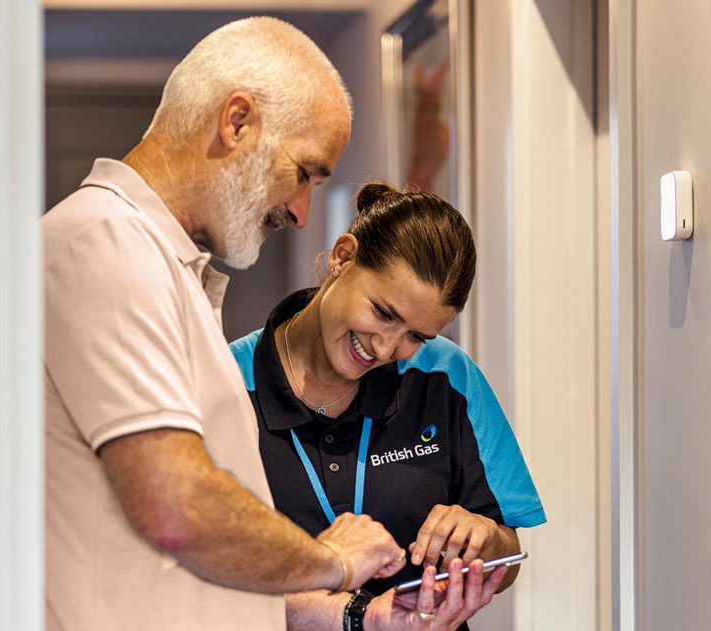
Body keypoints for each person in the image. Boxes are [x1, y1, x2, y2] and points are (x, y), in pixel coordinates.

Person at [42, 18, 407, 631]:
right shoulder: (105, 241)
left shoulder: (159, 261)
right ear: (236, 122)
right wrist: (332, 561)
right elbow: (179, 507)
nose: (300, 212)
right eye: (305, 174)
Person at [230, 183, 547, 631]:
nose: (384, 348)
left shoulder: (447, 377)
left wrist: (484, 538)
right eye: (383, 312)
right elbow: (199, 578)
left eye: (416, 336)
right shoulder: (224, 385)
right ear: (342, 257)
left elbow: (507, 562)